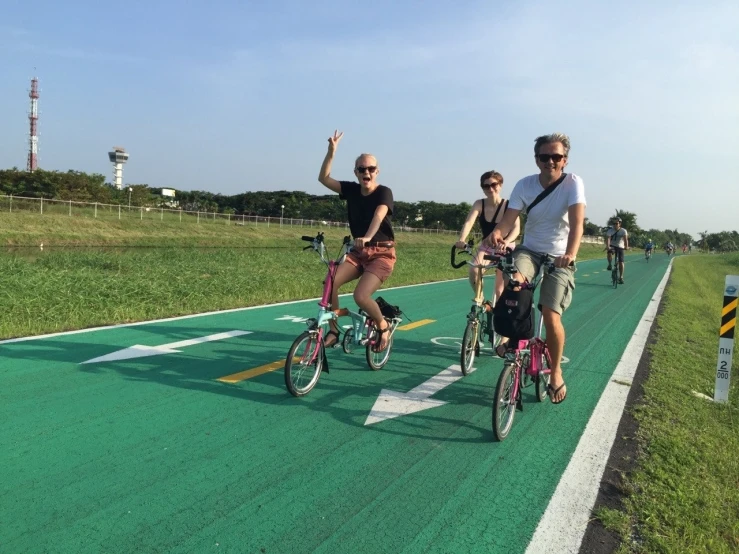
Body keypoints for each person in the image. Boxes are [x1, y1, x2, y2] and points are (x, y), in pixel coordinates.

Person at [489, 132, 586, 404]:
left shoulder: (572, 184)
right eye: (545, 157)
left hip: (559, 256)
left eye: (556, 157)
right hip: (529, 251)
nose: (550, 162)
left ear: (564, 160)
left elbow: (577, 223)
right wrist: (497, 234)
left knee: (550, 313)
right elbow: (508, 221)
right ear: (537, 159)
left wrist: (570, 254)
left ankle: (555, 372)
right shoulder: (524, 185)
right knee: (515, 285)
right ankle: (514, 339)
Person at [317, 130, 396, 352]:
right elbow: (323, 178)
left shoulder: (384, 192)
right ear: (356, 172)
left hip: (381, 253)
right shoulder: (351, 190)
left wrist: (368, 237)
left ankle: (383, 325)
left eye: (370, 168)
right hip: (358, 252)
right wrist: (331, 152)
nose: (366, 172)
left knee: (360, 296)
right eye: (362, 169)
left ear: (377, 171)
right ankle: (333, 330)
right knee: (329, 281)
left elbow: (379, 215)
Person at [454, 170, 521, 318]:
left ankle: (502, 320)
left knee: (500, 288)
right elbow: (469, 221)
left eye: (493, 185)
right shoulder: (480, 204)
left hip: (505, 247)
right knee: (474, 270)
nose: (490, 189)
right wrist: (462, 239)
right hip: (487, 246)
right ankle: (483, 300)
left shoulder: (509, 205)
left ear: (500, 185)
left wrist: (507, 241)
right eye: (486, 186)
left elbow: (516, 229)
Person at [605, 217, 629, 284]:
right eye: (614, 223)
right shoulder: (610, 231)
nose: (615, 225)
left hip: (620, 246)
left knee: (621, 262)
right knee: (609, 253)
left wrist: (626, 246)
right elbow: (608, 239)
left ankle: (621, 277)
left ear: (620, 224)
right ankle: (609, 264)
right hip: (612, 246)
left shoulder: (623, 231)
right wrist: (608, 246)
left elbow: (625, 239)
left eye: (616, 223)